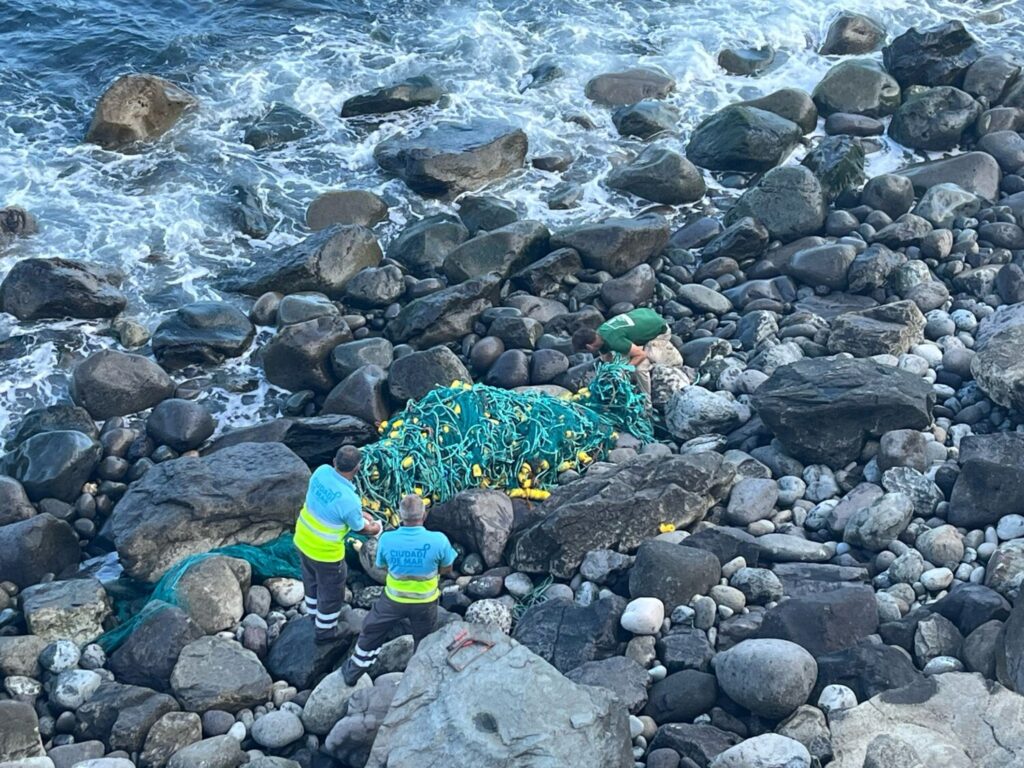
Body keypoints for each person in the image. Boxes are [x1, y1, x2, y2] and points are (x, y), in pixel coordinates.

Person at [342, 494, 456, 685]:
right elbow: (448, 568)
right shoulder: (439, 540)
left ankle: (354, 671)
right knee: (423, 639)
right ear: (424, 515)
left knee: (371, 629)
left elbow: (381, 565)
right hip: (425, 601)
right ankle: (418, 681)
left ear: (400, 516)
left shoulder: (387, 539)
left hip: (393, 600)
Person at [294, 445, 382, 644]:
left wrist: (357, 514)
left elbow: (333, 506)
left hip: (302, 539)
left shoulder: (320, 472)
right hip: (325, 554)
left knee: (311, 580)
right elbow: (360, 528)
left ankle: (314, 614)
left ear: (334, 461)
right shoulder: (350, 500)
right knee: (332, 591)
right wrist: (375, 528)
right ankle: (325, 632)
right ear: (357, 469)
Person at [572, 307, 670, 401]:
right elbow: (607, 358)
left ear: (589, 346)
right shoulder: (599, 334)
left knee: (640, 368)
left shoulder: (614, 341)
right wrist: (609, 372)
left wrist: (624, 370)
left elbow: (641, 355)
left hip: (660, 330)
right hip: (645, 313)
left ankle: (647, 404)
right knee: (622, 359)